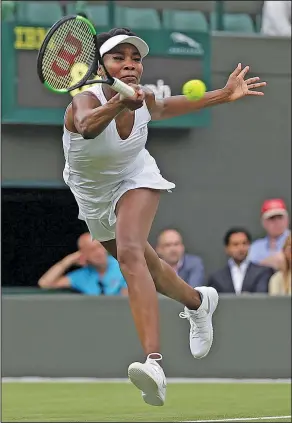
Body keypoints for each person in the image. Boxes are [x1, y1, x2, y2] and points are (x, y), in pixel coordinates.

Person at [62, 27, 266, 406]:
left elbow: (168, 106)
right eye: (118, 58)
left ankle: (153, 363)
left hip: (136, 177)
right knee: (150, 269)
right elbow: (89, 128)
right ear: (102, 66)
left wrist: (223, 94)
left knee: (129, 253)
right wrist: (120, 104)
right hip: (91, 197)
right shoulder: (81, 104)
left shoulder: (145, 99)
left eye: (135, 58)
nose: (129, 65)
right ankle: (198, 303)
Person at [38, 233, 128, 296]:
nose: (99, 253)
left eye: (100, 247)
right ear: (83, 255)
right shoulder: (82, 275)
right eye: (92, 250)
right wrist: (68, 260)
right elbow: (45, 283)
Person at [207, 228, 273, 294]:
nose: (241, 248)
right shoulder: (217, 277)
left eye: (244, 243)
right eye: (236, 244)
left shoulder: (262, 272)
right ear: (227, 248)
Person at [249, 199, 290, 270]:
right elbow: (247, 270)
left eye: (280, 217)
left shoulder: (290, 240)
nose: (277, 222)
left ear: (287, 219)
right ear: (263, 222)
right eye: (272, 218)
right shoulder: (255, 247)